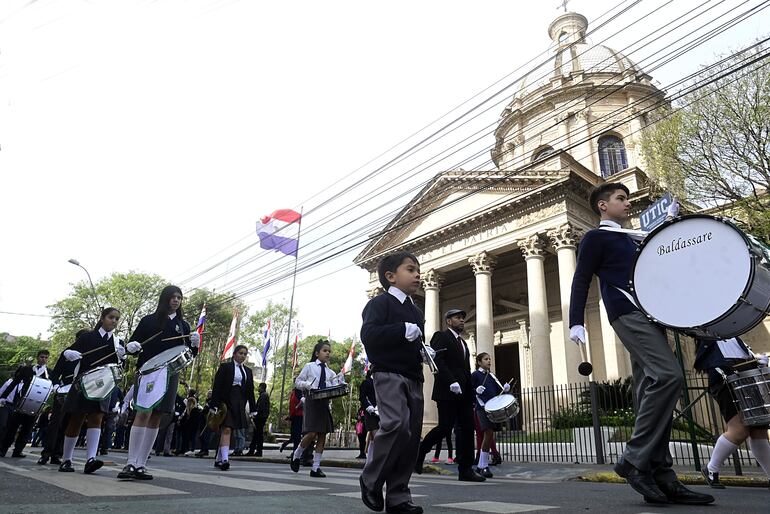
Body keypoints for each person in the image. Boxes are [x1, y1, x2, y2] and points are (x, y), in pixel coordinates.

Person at [569, 182, 713, 505]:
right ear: (603, 206)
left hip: (651, 314)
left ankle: (661, 475)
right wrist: (575, 320)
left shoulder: (634, 239)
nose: (628, 203)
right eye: (621, 198)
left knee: (650, 387)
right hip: (626, 312)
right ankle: (633, 459)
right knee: (669, 376)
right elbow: (581, 278)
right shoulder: (596, 237)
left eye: (628, 198)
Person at [359, 251, 425, 514]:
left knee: (410, 438)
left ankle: (398, 496)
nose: (417, 274)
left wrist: (424, 350)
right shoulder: (380, 303)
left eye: (417, 270)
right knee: (396, 424)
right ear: (390, 276)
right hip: (388, 373)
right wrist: (401, 331)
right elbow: (369, 335)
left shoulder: (416, 310)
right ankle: (370, 478)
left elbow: (416, 341)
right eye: (410, 269)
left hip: (413, 376)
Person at [118, 285, 199, 480]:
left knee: (157, 415)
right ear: (165, 299)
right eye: (172, 297)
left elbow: (187, 355)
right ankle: (130, 462)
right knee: (143, 413)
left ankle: (141, 464)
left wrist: (195, 346)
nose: (176, 300)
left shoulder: (184, 326)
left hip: (170, 375)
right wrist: (131, 347)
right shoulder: (149, 320)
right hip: (148, 372)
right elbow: (134, 345)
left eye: (179, 298)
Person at [416, 308, 484, 482]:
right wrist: (450, 381)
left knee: (467, 429)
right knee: (445, 427)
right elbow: (437, 361)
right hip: (447, 391)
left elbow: (466, 370)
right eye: (457, 317)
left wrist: (472, 391)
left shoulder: (464, 343)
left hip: (464, 394)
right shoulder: (441, 336)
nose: (462, 320)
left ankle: (466, 469)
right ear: (448, 321)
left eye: (462, 317)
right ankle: (421, 451)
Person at [694, 337, 770, 488]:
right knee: (739, 429)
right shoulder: (708, 334)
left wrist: (755, 359)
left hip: (746, 377)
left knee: (758, 429)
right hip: (725, 379)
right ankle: (711, 469)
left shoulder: (735, 335)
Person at [58, 307, 126, 474]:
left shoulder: (118, 342)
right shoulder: (87, 337)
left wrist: (123, 357)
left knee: (97, 418)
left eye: (117, 318)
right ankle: (66, 459)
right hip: (83, 382)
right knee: (76, 419)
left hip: (103, 384)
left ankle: (91, 459)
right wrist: (69, 353)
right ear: (102, 318)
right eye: (111, 317)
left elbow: (121, 368)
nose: (114, 321)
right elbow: (66, 352)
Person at [292, 340, 344, 478]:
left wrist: (340, 382)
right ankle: (297, 454)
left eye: (329, 351)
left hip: (324, 403)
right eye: (324, 351)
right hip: (312, 401)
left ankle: (316, 468)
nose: (327, 353)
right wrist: (307, 385)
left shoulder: (330, 372)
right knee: (312, 433)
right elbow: (297, 382)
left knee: (322, 434)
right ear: (317, 353)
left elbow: (334, 387)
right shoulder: (309, 367)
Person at [39, 332, 88, 466]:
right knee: (55, 423)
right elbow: (56, 373)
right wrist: (55, 386)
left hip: (79, 392)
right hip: (63, 391)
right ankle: (46, 453)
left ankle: (57, 454)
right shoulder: (67, 354)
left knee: (68, 424)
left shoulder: (89, 355)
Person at [210, 345, 256, 471]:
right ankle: (225, 459)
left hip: (240, 402)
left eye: (245, 354)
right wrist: (213, 404)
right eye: (240, 353)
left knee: (229, 430)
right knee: (227, 429)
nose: (243, 356)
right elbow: (217, 387)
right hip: (226, 402)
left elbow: (250, 391)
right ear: (234, 354)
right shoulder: (225, 367)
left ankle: (218, 459)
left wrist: (253, 408)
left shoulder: (248, 371)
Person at [470, 352, 511, 478]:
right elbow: (469, 391)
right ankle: (483, 466)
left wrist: (505, 389)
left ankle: (482, 465)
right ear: (479, 362)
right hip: (481, 408)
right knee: (488, 433)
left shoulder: (492, 376)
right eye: (486, 359)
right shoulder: (475, 375)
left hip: (491, 408)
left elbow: (496, 392)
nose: (489, 361)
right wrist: (475, 391)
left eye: (489, 359)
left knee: (489, 435)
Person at [0, 365, 36, 458]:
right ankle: (2, 448)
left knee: (23, 429)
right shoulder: (10, 382)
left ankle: (17, 451)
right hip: (6, 405)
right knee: (5, 426)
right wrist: (2, 398)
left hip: (17, 406)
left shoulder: (26, 385)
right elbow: (2, 392)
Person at [359, 369, 378, 461]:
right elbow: (362, 397)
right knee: (376, 435)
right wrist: (368, 407)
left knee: (374, 439)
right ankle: (375, 460)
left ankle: (371, 460)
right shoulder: (366, 383)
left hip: (382, 412)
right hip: (370, 412)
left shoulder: (382, 382)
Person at [246, 382, 270, 457]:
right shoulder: (264, 395)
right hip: (262, 417)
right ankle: (254, 450)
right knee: (257, 435)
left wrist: (255, 415)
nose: (258, 389)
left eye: (259, 387)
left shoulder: (263, 396)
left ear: (262, 387)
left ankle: (256, 450)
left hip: (260, 418)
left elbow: (260, 408)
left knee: (258, 434)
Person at [280, 387, 304, 456]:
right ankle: (285, 445)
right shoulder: (294, 391)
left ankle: (295, 452)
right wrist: (290, 415)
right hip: (294, 415)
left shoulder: (299, 391)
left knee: (297, 436)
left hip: (299, 416)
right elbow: (291, 405)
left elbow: (302, 401)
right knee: (294, 435)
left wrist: (297, 407)